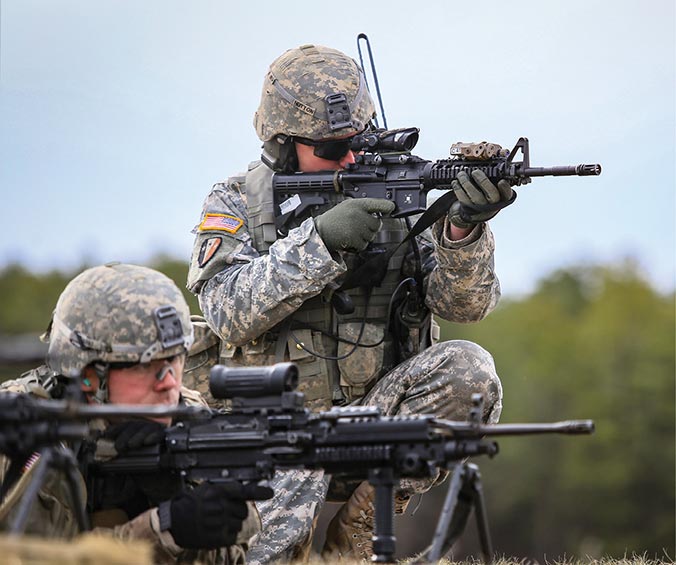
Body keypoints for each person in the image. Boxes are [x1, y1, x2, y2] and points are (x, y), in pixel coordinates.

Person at [186, 43, 512, 563]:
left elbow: (464, 306)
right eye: (334, 150)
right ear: (282, 143)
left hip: (370, 422)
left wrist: (461, 228)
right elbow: (226, 311)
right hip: (272, 434)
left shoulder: (397, 192)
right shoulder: (237, 201)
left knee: (469, 371)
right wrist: (319, 243)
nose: (353, 158)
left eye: (358, 141)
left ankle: (358, 533)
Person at [0, 263, 269, 564]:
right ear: (88, 375)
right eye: (145, 364)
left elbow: (231, 555)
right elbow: (28, 557)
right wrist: (163, 528)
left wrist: (172, 492)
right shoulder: (19, 430)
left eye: (176, 358)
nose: (169, 381)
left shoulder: (186, 415)